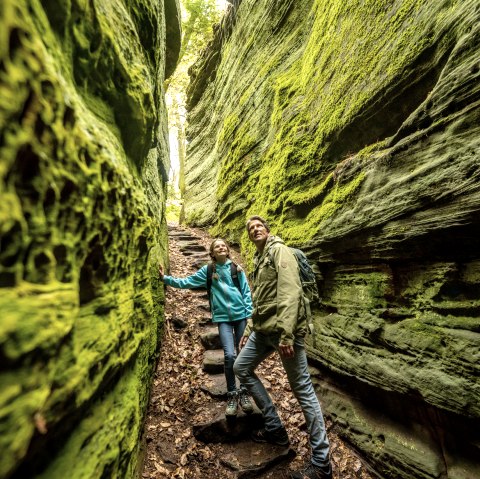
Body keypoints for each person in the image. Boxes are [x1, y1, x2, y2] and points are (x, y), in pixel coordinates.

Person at [233, 216, 332, 479]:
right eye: (250, 228)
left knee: (303, 391)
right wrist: (249, 328)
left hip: (284, 332)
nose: (255, 229)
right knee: (241, 367)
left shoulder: (279, 250)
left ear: (267, 230)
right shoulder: (259, 258)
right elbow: (260, 298)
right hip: (264, 330)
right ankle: (275, 428)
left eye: (259, 226)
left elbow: (291, 292)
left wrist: (287, 335)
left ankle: (322, 463)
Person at [159, 238, 254, 417]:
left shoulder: (236, 268)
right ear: (212, 252)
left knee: (243, 354)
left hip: (241, 316)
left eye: (223, 245)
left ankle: (244, 393)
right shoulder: (208, 270)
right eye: (217, 246)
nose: (221, 247)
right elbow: (187, 282)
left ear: (227, 250)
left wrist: (249, 314)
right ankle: (232, 394)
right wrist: (165, 279)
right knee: (229, 355)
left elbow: (246, 291)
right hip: (223, 318)